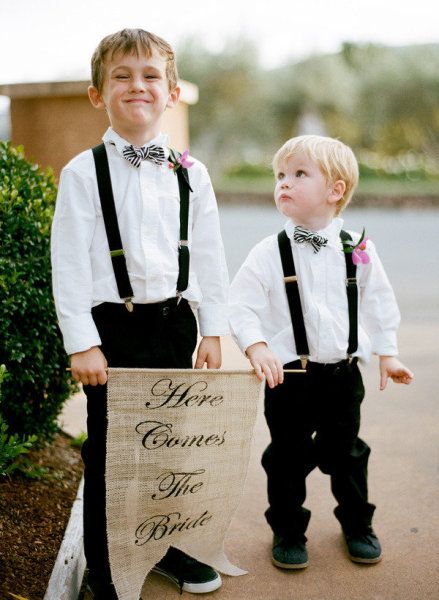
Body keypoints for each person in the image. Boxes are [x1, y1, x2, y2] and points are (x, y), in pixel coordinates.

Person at [51, 28, 229, 599]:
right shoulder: (84, 173)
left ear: (172, 93)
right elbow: (70, 265)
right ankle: (104, 566)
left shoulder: (191, 174)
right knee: (110, 450)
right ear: (97, 94)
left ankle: (165, 545)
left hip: (174, 322)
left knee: (169, 445)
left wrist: (212, 327)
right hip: (112, 327)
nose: (137, 86)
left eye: (151, 76)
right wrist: (82, 341)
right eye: (122, 76)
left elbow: (208, 256)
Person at [229, 135, 413, 570]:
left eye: (298, 174)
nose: (283, 184)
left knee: (346, 453)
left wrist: (388, 352)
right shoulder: (268, 252)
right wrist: (256, 345)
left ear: (335, 190)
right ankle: (289, 532)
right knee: (287, 458)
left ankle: (357, 524)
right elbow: (241, 304)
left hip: (343, 376)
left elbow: (378, 301)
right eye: (279, 175)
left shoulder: (357, 247)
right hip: (289, 378)